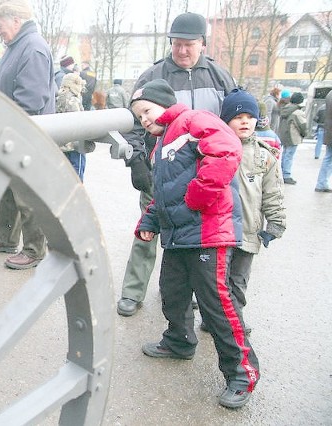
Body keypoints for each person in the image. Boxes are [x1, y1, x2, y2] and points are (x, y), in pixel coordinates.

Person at [131, 79, 258, 409]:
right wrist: (150, 221)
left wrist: (198, 197)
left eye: (147, 111)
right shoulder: (161, 146)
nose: (144, 119)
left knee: (216, 304)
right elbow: (164, 193)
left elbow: (227, 149)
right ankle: (179, 340)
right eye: (139, 116)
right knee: (172, 292)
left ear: (164, 104)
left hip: (207, 234)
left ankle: (242, 373)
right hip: (178, 238)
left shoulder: (191, 121)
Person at [116, 12, 236, 317]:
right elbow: (133, 122)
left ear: (203, 44)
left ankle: (196, 296)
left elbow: (232, 124)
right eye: (177, 44)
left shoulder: (220, 77)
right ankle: (133, 291)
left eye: (189, 45)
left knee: (203, 241)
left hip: (204, 176)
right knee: (148, 229)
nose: (182, 50)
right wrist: (136, 159)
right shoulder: (153, 75)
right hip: (163, 172)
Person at [0, 0, 56, 270]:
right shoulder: (18, 46)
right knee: (8, 190)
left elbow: (30, 101)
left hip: (26, 134)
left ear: (15, 20)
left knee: (27, 193)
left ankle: (34, 249)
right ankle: (6, 238)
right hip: (12, 132)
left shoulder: (32, 48)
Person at [214, 88, 286, 334]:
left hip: (248, 232)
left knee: (238, 281)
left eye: (249, 116)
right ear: (226, 121)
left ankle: (235, 320)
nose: (244, 121)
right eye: (237, 116)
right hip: (220, 231)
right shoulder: (214, 148)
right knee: (217, 282)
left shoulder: (265, 156)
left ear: (257, 119)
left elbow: (273, 193)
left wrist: (275, 224)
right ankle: (215, 319)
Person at [56, 72, 86, 180]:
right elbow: (79, 121)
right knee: (77, 175)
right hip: (74, 145)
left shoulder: (58, 97)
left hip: (61, 144)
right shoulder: (73, 100)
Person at [277, 92, 307, 185]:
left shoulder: (285, 108)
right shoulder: (297, 112)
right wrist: (304, 134)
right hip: (293, 137)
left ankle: (282, 173)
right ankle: (287, 175)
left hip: (283, 135)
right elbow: (302, 126)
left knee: (285, 155)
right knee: (289, 156)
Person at [315, 90, 332, 193]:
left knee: (328, 158)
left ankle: (321, 183)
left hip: (329, 131)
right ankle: (322, 183)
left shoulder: (330, 94)